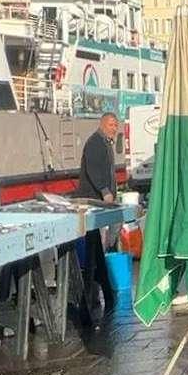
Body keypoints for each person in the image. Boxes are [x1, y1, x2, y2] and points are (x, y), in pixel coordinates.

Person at [75, 112, 120, 322]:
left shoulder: (107, 143)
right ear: (103, 124)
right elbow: (94, 170)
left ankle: (97, 289)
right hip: (92, 201)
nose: (115, 128)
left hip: (103, 202)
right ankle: (91, 292)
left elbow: (110, 172)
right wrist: (105, 191)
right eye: (112, 124)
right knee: (94, 244)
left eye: (116, 125)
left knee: (99, 245)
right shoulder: (95, 142)